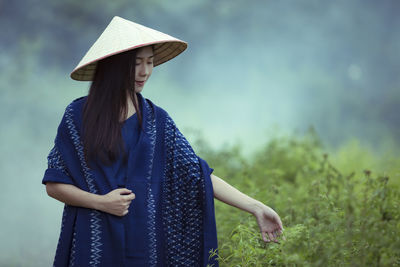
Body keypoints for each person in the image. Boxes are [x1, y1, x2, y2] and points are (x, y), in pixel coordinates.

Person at [42, 16, 284, 267]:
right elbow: (54, 183)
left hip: (146, 246)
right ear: (115, 65)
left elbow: (198, 175)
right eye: (136, 63)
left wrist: (256, 207)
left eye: (150, 62)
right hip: (92, 243)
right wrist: (102, 203)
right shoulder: (78, 116)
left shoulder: (158, 121)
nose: (145, 71)